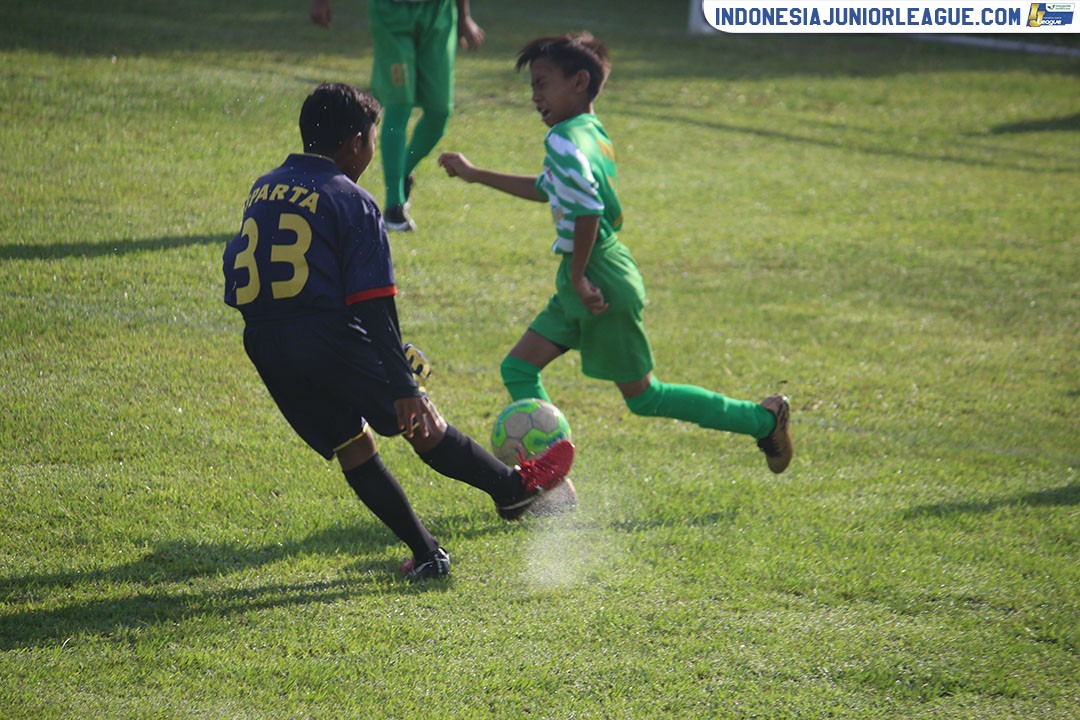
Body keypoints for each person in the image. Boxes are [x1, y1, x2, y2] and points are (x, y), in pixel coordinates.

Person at [222, 83, 574, 580]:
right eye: (372, 140)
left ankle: (428, 554)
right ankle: (513, 490)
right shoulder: (352, 198)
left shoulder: (264, 186)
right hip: (327, 335)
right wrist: (403, 382)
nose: (372, 150)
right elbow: (374, 303)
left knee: (353, 446)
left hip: (265, 342)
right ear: (355, 143)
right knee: (420, 421)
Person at [438, 33, 793, 473]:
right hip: (586, 272)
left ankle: (763, 421)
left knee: (645, 397)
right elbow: (549, 188)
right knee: (518, 367)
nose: (535, 96)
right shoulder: (590, 131)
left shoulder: (563, 141)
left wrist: (579, 277)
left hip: (596, 276)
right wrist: (475, 174)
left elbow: (588, 208)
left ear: (579, 82)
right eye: (532, 86)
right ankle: (550, 471)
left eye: (542, 83)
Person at [309, 0, 484, 232]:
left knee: (440, 110)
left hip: (437, 11)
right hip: (391, 11)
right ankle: (394, 206)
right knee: (399, 104)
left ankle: (402, 171)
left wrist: (464, 16)